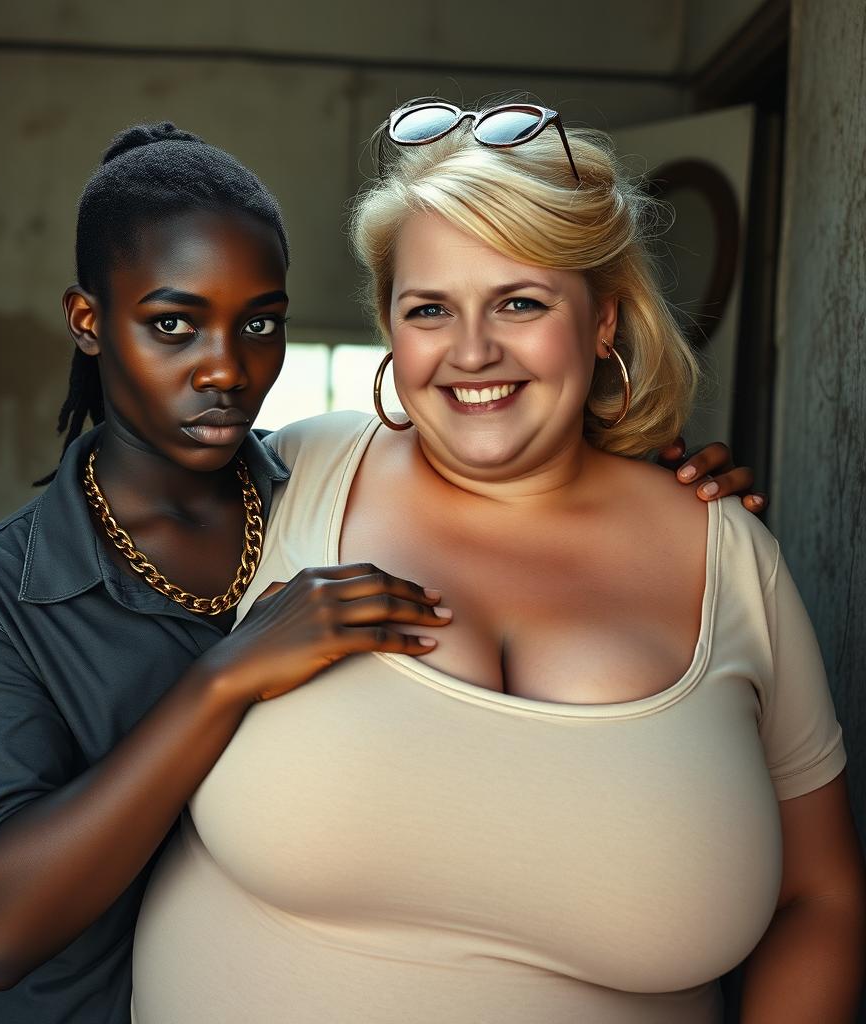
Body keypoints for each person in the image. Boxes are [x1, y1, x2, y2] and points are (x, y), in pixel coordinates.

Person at [0, 121, 767, 1024]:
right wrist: (225, 678)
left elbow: (504, 457)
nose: (225, 369)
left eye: (261, 324)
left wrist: (630, 470)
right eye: (173, 323)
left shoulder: (317, 493)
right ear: (89, 322)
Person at [130, 102, 866, 1023]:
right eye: (429, 309)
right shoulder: (290, 476)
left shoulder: (731, 558)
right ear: (391, 331)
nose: (472, 352)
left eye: (520, 302)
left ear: (603, 322)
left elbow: (820, 900)